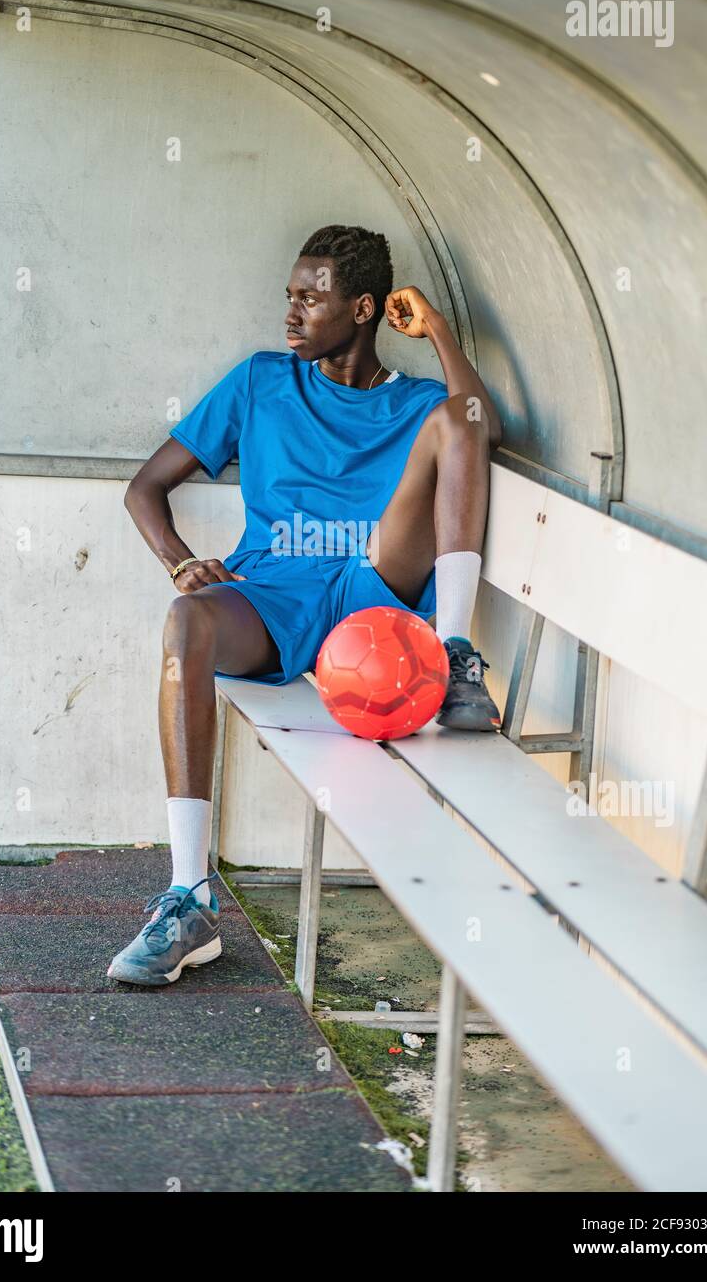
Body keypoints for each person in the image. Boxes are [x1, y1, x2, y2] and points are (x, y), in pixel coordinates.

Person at [108, 224, 502, 985]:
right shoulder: (260, 381)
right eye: (289, 296)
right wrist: (181, 561)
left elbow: (479, 428)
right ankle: (188, 898)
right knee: (187, 622)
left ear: (362, 309)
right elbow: (144, 487)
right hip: (274, 591)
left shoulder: (419, 401)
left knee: (455, 420)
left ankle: (454, 657)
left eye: (310, 299)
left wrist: (442, 334)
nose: (291, 314)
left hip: (371, 590)